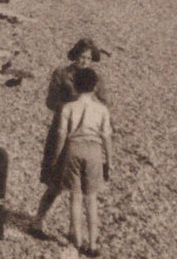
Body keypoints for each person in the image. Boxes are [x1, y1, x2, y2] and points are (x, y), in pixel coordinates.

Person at [31, 38, 106, 240]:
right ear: (74, 55)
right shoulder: (61, 74)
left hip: (85, 134)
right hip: (62, 130)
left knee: (81, 186)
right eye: (81, 57)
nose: (84, 61)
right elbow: (50, 102)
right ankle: (38, 220)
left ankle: (75, 231)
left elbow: (107, 101)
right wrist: (73, 105)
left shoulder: (95, 77)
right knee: (55, 181)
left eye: (88, 58)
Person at [51, 67, 112, 257]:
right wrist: (109, 161)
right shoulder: (102, 109)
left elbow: (61, 134)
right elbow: (107, 137)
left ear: (75, 86)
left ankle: (77, 241)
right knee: (91, 198)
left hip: (72, 149)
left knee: (75, 197)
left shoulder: (68, 107)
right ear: (95, 87)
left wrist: (55, 157)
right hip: (93, 150)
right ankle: (93, 243)